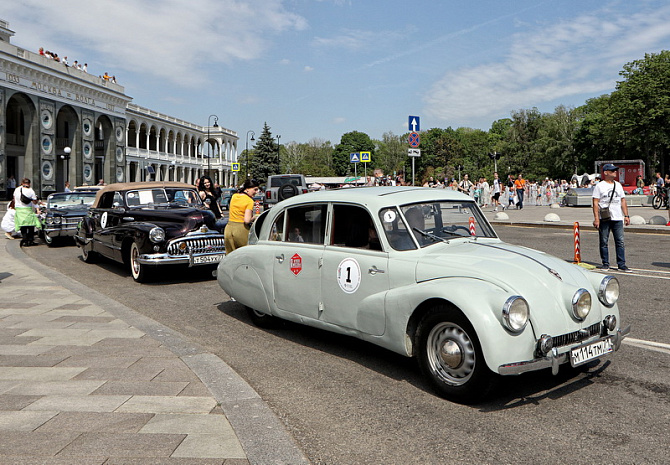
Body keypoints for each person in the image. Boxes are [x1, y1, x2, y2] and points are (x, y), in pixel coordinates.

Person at [592, 164, 631, 272]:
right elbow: (595, 203)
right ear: (605, 173)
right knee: (604, 241)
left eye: (615, 170)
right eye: (612, 170)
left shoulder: (618, 185)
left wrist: (626, 215)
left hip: (617, 217)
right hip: (605, 217)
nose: (615, 172)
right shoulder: (600, 186)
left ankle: (621, 264)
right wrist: (596, 218)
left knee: (620, 241)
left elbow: (623, 200)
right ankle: (605, 263)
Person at [224, 179, 260, 254]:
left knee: (230, 255)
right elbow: (247, 220)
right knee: (244, 254)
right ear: (247, 189)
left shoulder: (234, 196)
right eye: (255, 189)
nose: (256, 192)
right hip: (241, 229)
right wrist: (255, 217)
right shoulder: (249, 201)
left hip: (229, 228)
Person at [13, 178, 41, 247]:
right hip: (27, 209)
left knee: (23, 226)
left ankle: (25, 240)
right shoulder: (31, 191)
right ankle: (30, 240)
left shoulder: (17, 189)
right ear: (29, 183)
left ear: (22, 183)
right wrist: (37, 202)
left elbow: (14, 198)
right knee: (31, 225)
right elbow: (34, 201)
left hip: (19, 209)